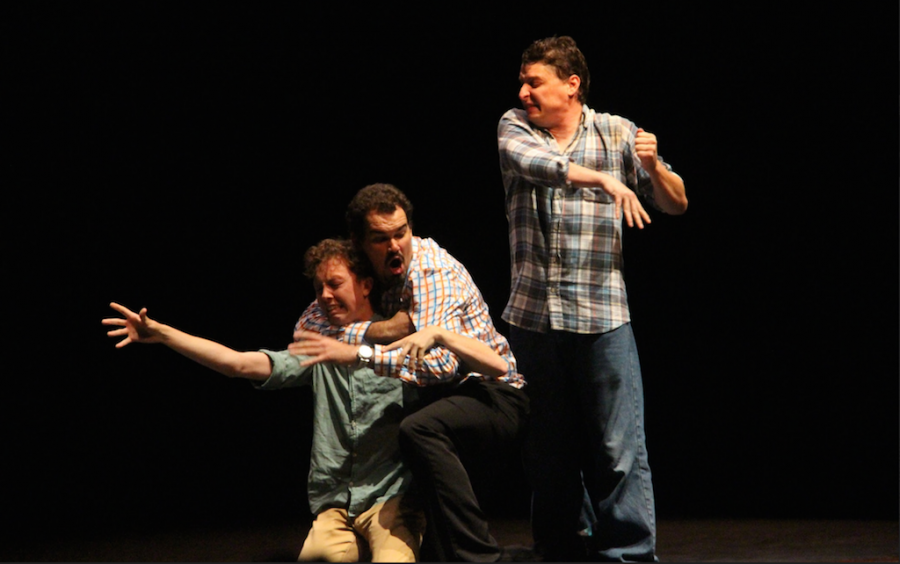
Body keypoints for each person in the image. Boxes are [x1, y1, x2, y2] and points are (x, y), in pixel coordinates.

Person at [102, 238, 425, 562]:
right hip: (336, 507)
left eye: (334, 283)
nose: (324, 295)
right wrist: (162, 334)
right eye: (318, 288)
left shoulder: (400, 342)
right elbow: (238, 364)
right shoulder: (319, 349)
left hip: (391, 499)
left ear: (366, 285)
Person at [497, 36, 688, 562]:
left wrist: (651, 169)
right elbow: (536, 165)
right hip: (535, 317)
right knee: (548, 451)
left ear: (571, 84)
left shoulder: (618, 131)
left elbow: (676, 205)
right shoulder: (514, 126)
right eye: (523, 81)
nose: (524, 91)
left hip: (604, 315)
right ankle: (563, 547)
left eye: (534, 81)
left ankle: (628, 553)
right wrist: (605, 179)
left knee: (618, 447)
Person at [289, 183, 531, 563]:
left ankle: (479, 556)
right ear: (359, 242)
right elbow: (307, 327)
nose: (395, 246)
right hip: (441, 395)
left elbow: (440, 365)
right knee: (409, 425)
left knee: (419, 427)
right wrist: (379, 330)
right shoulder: (362, 270)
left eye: (401, 233)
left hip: (492, 391)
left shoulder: (430, 272)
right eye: (381, 238)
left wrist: (360, 353)